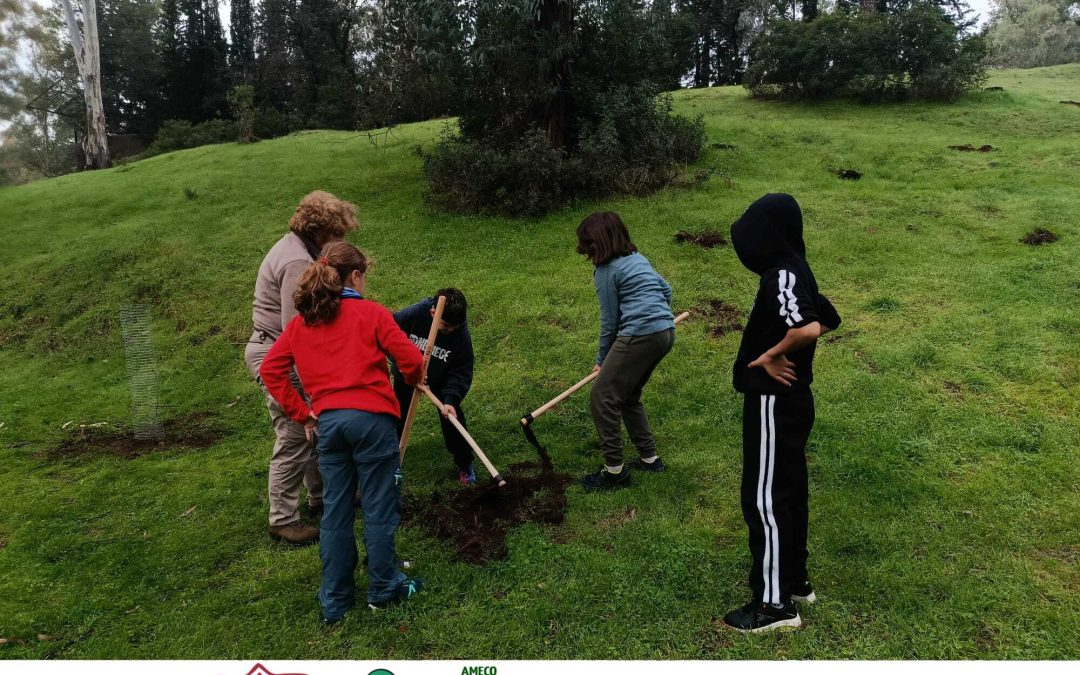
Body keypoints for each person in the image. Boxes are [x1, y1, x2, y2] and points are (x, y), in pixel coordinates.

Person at [259, 241, 426, 623]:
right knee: (379, 505)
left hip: (329, 426)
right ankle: (384, 588)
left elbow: (271, 369)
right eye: (364, 276)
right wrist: (411, 378)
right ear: (354, 276)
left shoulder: (303, 323)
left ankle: (335, 600)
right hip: (373, 423)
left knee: (335, 510)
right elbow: (411, 360)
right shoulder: (371, 313)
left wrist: (303, 414)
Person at [721, 193, 842, 633]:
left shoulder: (781, 275)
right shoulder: (796, 268)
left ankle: (774, 605)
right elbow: (829, 317)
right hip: (791, 402)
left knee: (765, 498)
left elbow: (807, 327)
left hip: (773, 402)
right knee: (789, 491)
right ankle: (795, 580)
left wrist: (772, 354)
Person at [244, 191, 360, 546]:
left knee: (314, 427)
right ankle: (282, 519)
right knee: (295, 433)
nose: (340, 241)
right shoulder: (296, 262)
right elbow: (296, 329)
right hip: (277, 354)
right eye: (337, 234)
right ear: (320, 230)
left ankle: (321, 496)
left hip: (282, 348)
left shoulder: (301, 250)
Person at [575, 212, 676, 490]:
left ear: (598, 245)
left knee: (602, 396)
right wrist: (656, 315)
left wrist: (602, 361)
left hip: (640, 335)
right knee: (628, 395)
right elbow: (666, 291)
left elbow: (609, 322)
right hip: (665, 332)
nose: (587, 255)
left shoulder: (607, 271)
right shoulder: (637, 259)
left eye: (588, 248)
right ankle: (650, 459)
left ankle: (614, 471)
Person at [391, 289, 477, 486]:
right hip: (408, 374)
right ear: (433, 313)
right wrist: (405, 367)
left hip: (441, 377)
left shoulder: (460, 334)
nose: (450, 330)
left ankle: (464, 463)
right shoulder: (412, 315)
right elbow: (389, 337)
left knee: (451, 418)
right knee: (398, 414)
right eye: (446, 326)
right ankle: (391, 457)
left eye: (455, 327)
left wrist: (451, 400)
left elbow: (461, 371)